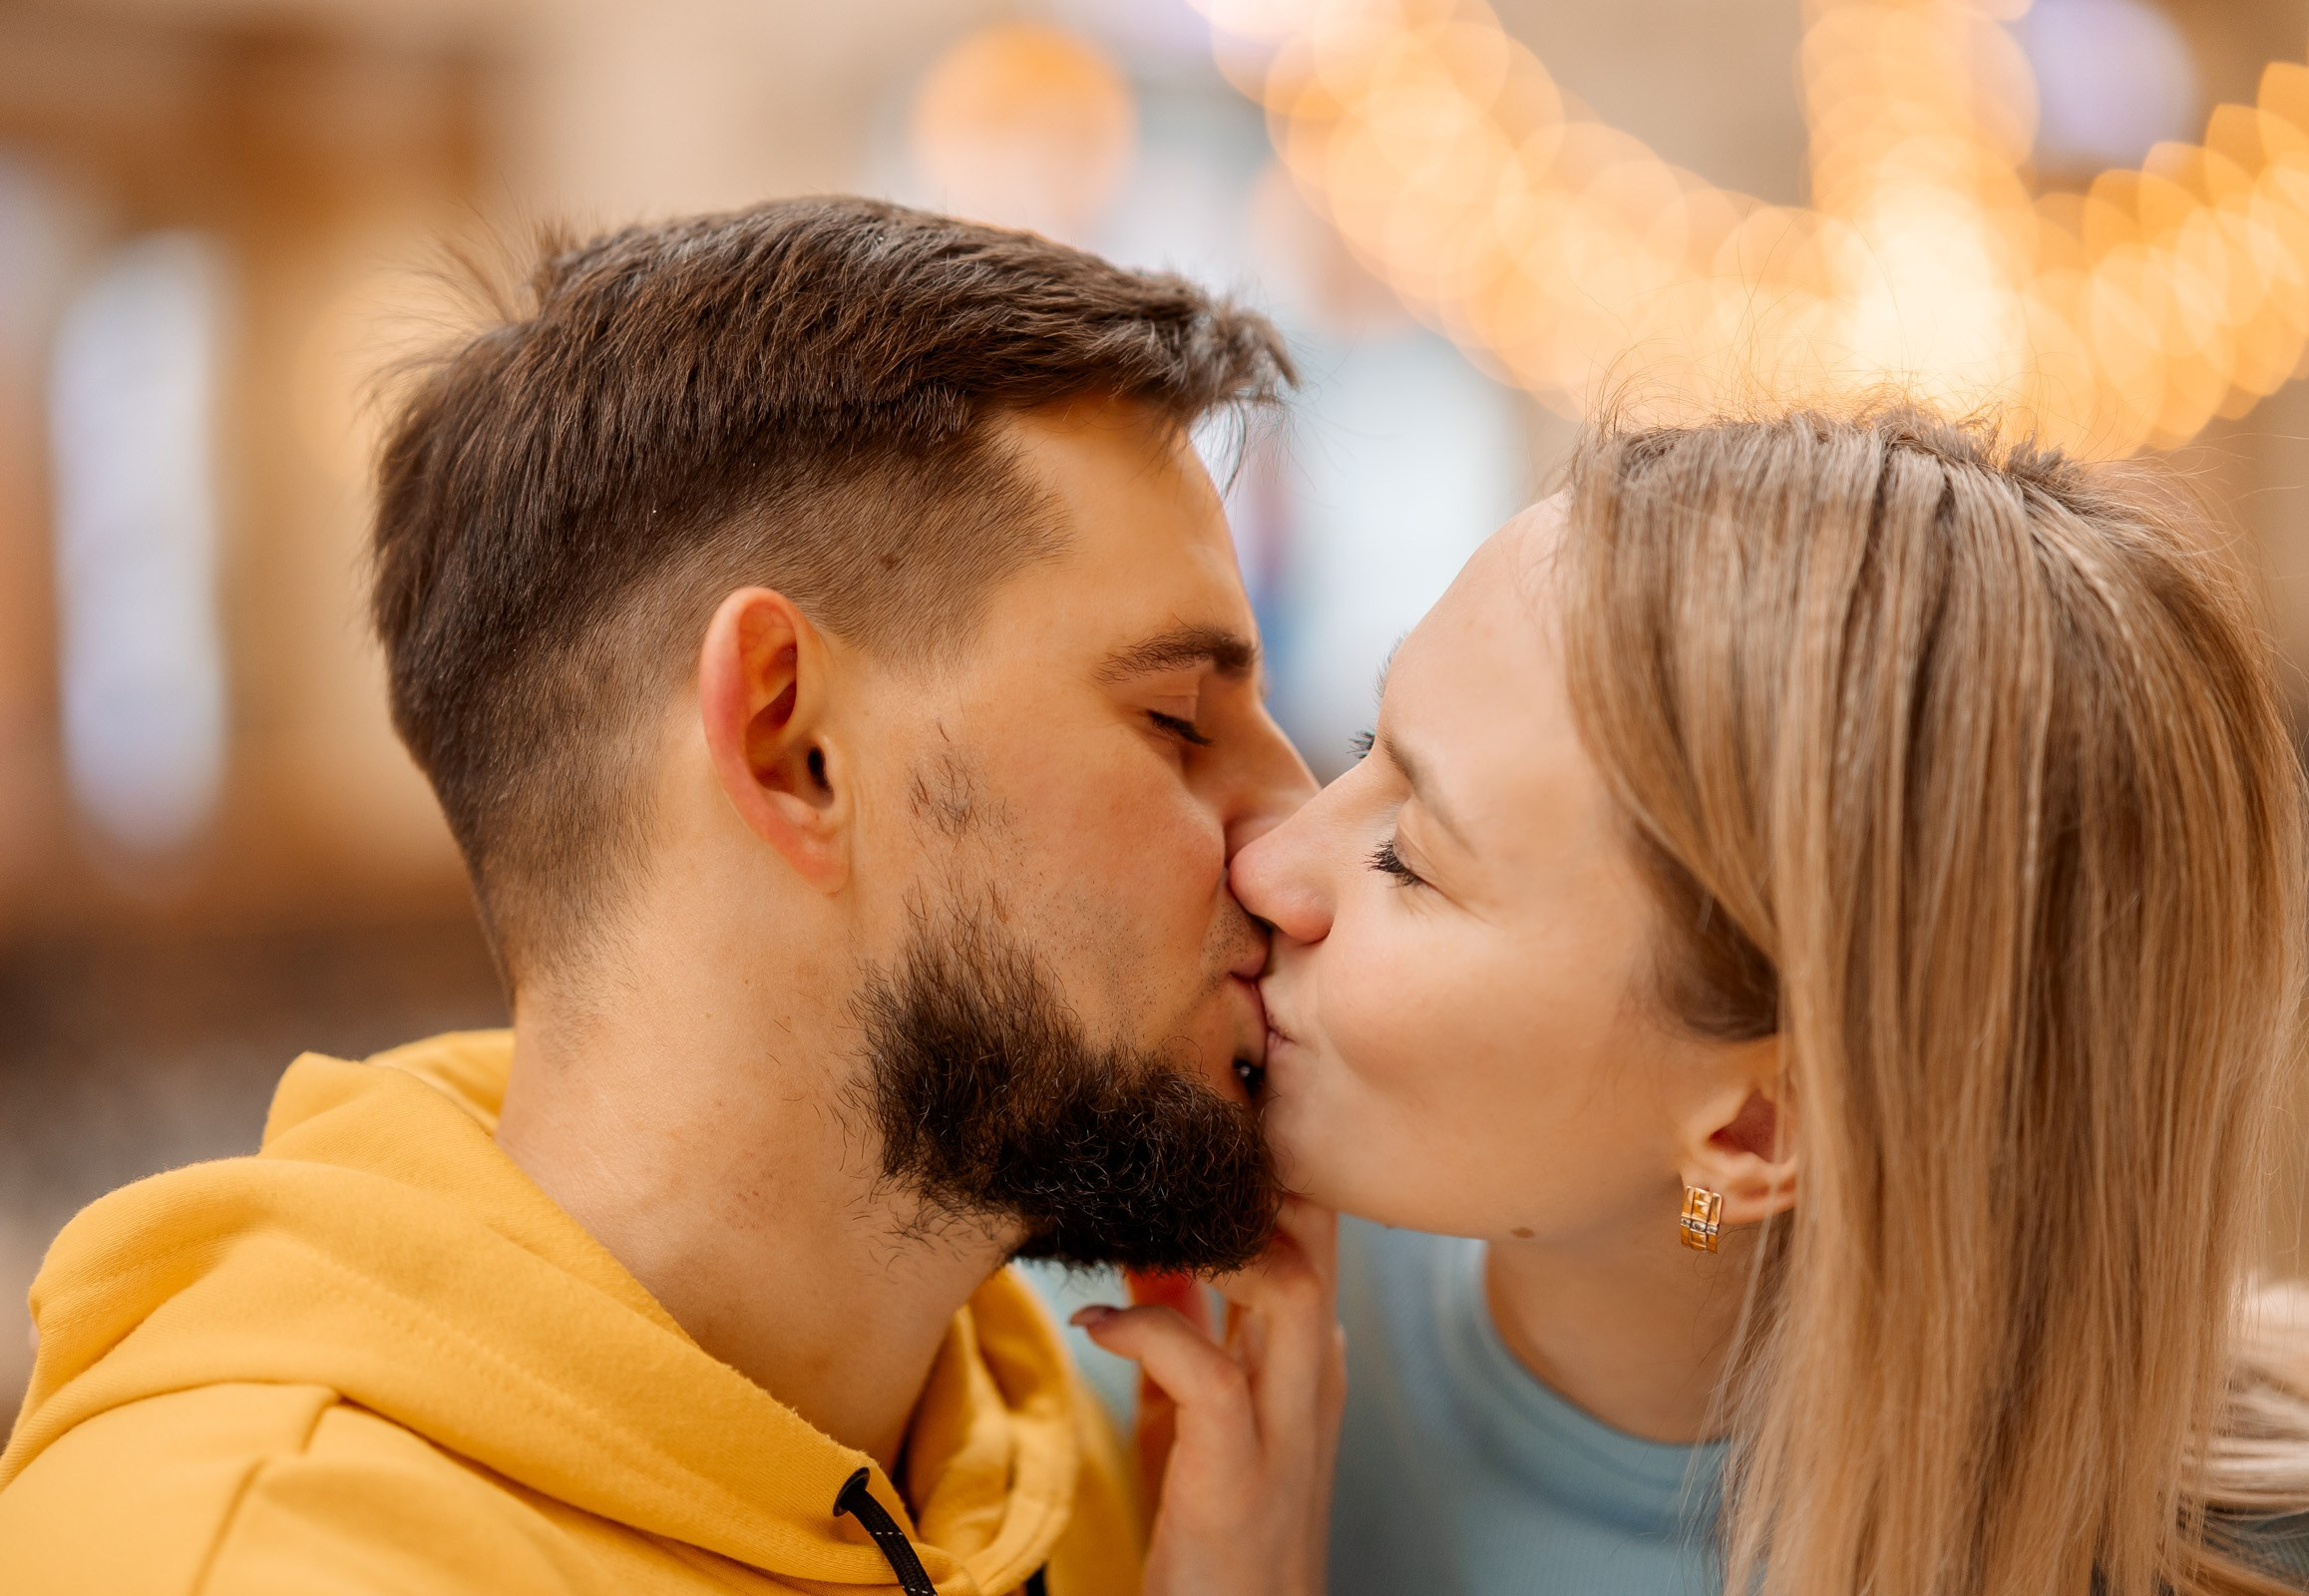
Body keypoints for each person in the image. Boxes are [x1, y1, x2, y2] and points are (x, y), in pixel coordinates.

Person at [0, 199, 1343, 1596]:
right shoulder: (257, 1560)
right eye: (1178, 719)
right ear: (790, 743)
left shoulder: (1034, 1447)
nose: (1297, 843)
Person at [1224, 408, 2309, 1595]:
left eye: (1409, 859)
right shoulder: (1171, 1319)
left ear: (1754, 1130)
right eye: (1367, 742)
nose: (1264, 866)